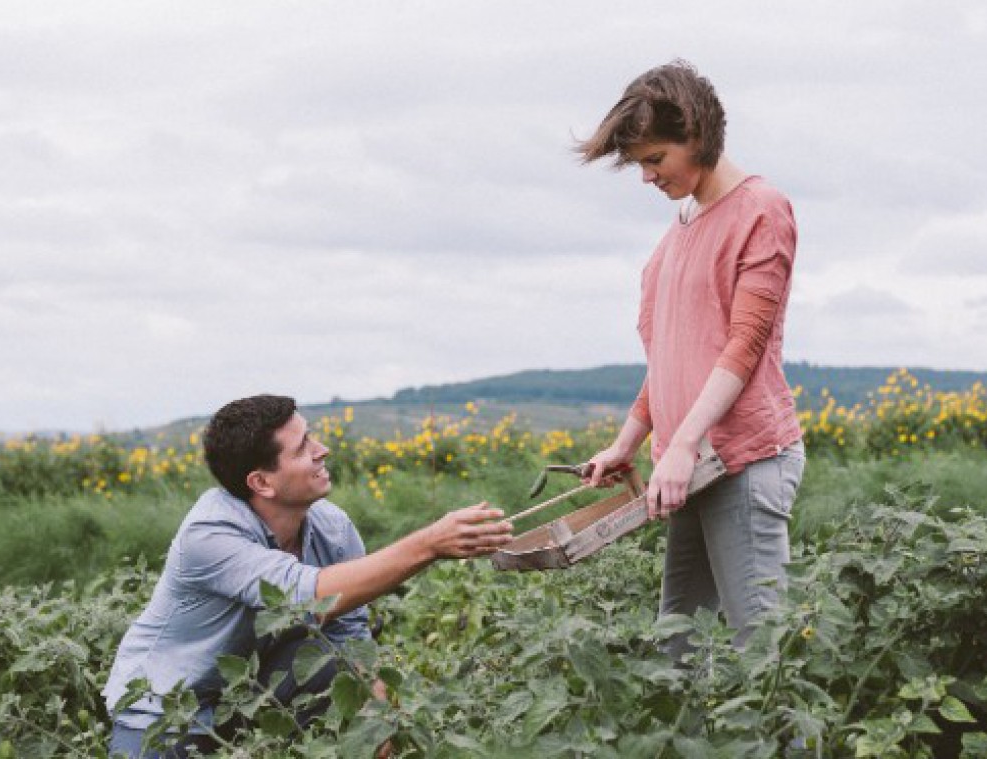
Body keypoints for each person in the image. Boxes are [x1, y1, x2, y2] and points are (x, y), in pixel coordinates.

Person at [104, 394, 512, 757]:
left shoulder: (332, 527)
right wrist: (430, 544)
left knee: (336, 669)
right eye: (303, 448)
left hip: (251, 694)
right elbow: (308, 594)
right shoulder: (208, 535)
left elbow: (349, 635)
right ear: (261, 482)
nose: (323, 450)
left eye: (312, 437)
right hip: (167, 707)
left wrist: (376, 718)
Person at [578, 61, 806, 652]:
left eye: (655, 159)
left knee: (764, 655)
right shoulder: (677, 231)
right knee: (675, 653)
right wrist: (627, 443)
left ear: (697, 138)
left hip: (743, 461)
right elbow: (672, 359)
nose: (648, 177)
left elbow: (744, 344)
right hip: (693, 466)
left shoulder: (761, 209)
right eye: (641, 164)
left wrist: (681, 443)